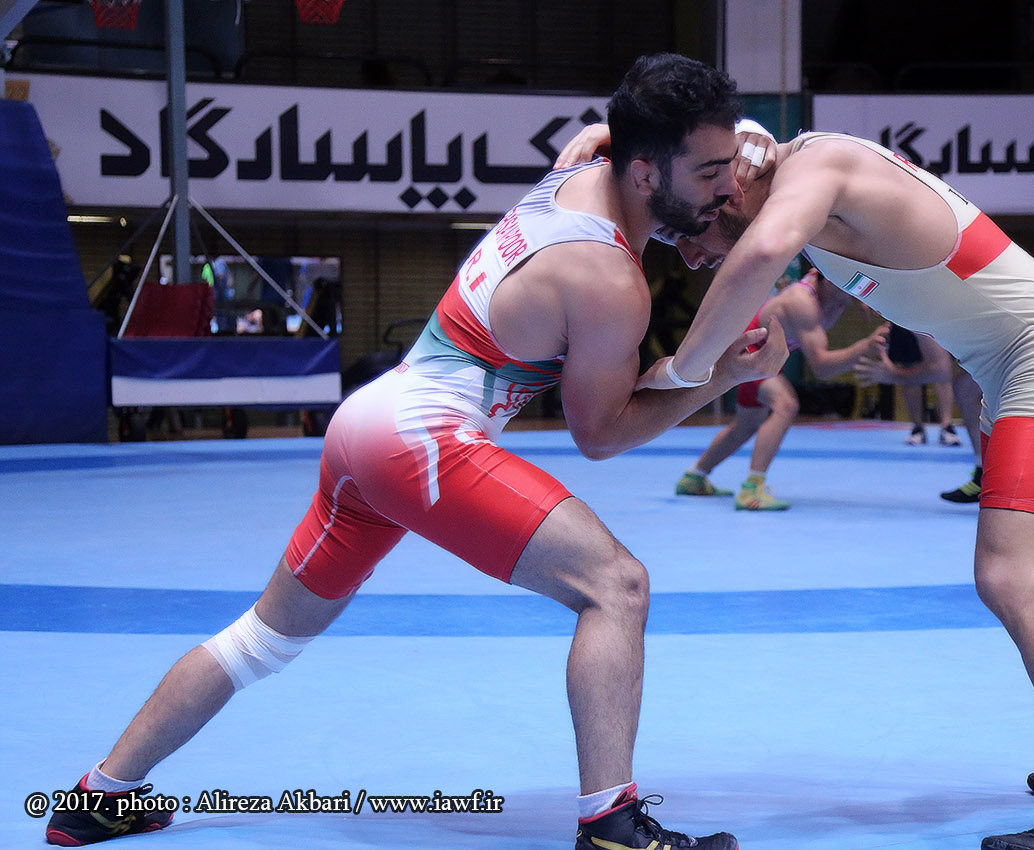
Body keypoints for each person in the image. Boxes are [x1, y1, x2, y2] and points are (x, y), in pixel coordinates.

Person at [44, 54, 786, 850]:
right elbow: (601, 435)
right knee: (617, 585)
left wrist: (740, 144)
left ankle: (98, 794)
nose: (724, 192)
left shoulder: (582, 163)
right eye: (709, 174)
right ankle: (610, 824)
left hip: (367, 428)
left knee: (264, 638)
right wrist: (719, 377)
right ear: (644, 172)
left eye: (726, 171)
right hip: (421, 442)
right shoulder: (609, 280)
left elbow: (616, 133)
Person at [623, 129, 1034, 850]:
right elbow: (732, 175)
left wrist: (679, 372)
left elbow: (759, 251)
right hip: (1029, 365)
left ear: (726, 186)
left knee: (1010, 577)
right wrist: (608, 137)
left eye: (686, 234)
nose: (692, 258)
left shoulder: (818, 166)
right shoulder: (797, 188)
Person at [674, 258, 888, 510]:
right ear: (828, 278)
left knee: (745, 426)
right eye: (849, 284)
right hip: (751, 351)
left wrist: (868, 300)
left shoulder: (837, 290)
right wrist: (863, 347)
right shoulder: (802, 303)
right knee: (785, 405)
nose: (854, 290)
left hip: (768, 355)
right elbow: (821, 367)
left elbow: (840, 278)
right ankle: (752, 489)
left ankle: (694, 476)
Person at [855, 345, 1034, 525]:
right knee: (967, 387)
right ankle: (982, 472)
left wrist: (892, 375)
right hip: (1004, 336)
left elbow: (939, 369)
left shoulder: (916, 299)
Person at [886, 324, 962, 447]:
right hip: (904, 321)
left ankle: (947, 426)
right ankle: (917, 428)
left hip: (932, 319)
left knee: (942, 369)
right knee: (909, 367)